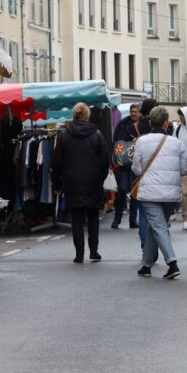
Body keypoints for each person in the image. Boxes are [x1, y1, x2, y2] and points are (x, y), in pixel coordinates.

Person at [133, 107, 187, 279]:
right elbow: (184, 169)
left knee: (158, 226)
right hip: (171, 194)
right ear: (166, 123)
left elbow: (136, 169)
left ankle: (172, 263)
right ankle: (146, 265)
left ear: (150, 122)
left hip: (149, 192)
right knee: (155, 226)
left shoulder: (141, 141)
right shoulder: (177, 143)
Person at [53, 103, 110, 263]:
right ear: (87, 115)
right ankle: (94, 251)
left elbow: (56, 162)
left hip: (72, 181)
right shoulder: (97, 134)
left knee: (76, 218)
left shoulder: (64, 135)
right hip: (93, 180)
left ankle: (79, 254)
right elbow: (105, 159)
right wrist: (101, 176)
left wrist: (57, 184)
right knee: (92, 216)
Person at [112, 104, 144, 229]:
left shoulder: (143, 125)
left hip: (137, 164)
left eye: (135, 112)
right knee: (121, 191)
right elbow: (117, 141)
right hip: (124, 165)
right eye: (132, 111)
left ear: (140, 113)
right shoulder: (123, 124)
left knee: (134, 193)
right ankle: (117, 219)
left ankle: (132, 220)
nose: (133, 114)